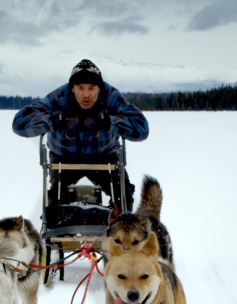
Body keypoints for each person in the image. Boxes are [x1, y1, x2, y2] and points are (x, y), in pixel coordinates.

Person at [12, 59, 148, 212]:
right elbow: (19, 123)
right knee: (55, 205)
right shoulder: (59, 97)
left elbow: (142, 128)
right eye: (80, 88)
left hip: (104, 156)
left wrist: (109, 122)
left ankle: (118, 228)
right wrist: (54, 120)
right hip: (64, 158)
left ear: (99, 88)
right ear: (72, 88)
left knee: (123, 197)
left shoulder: (111, 97)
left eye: (92, 88)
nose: (86, 94)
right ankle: (58, 231)